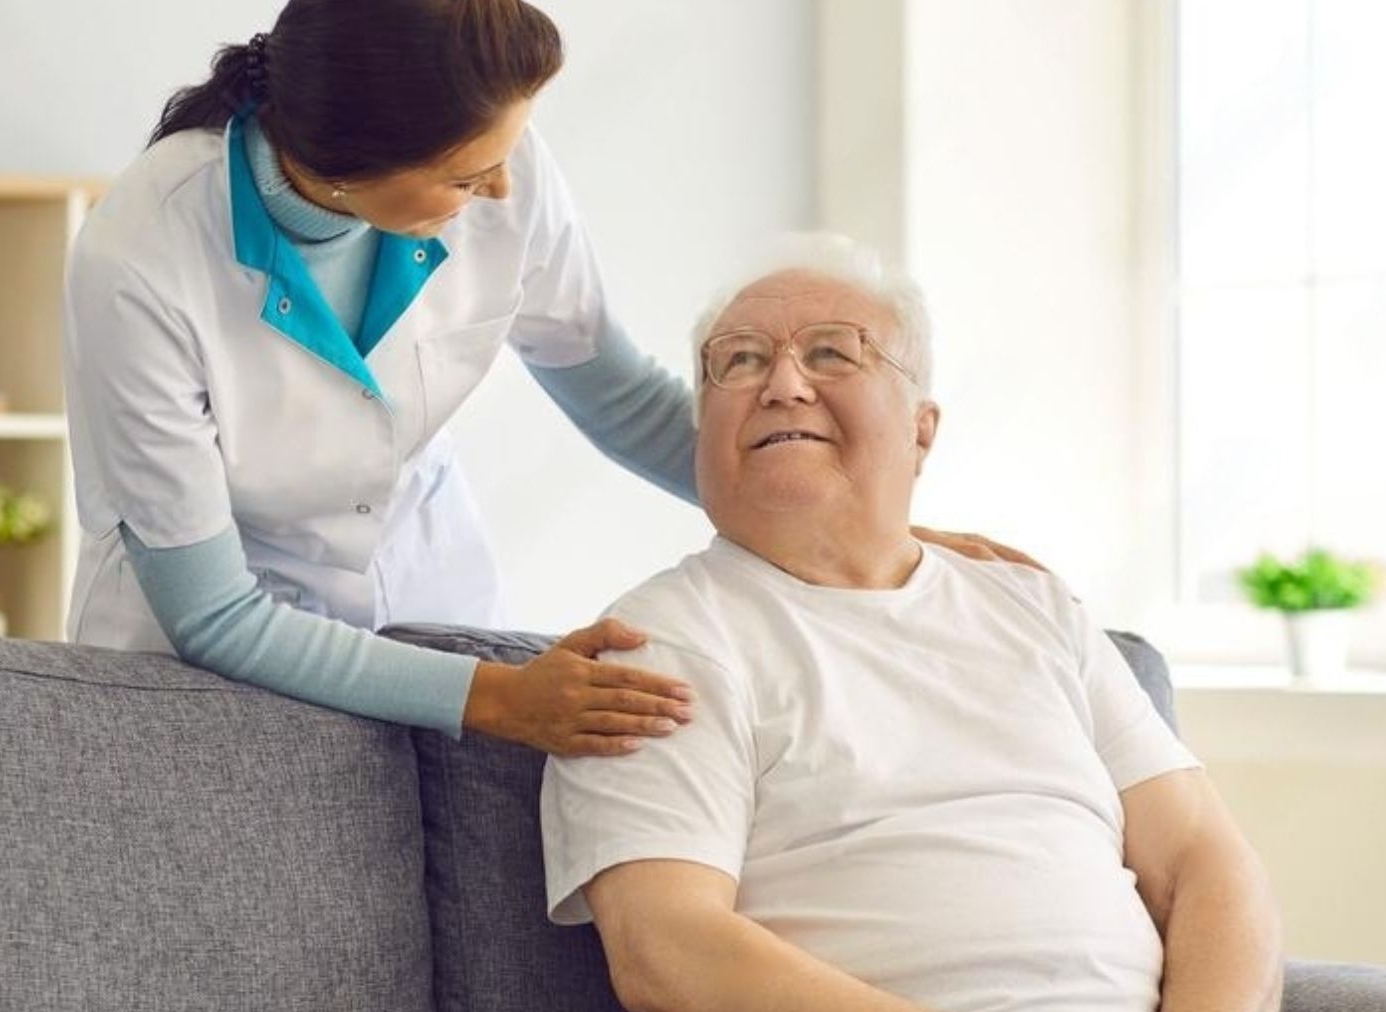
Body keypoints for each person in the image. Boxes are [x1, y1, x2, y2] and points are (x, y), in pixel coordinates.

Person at [61, 0, 1034, 757]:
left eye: (505, 155)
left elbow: (616, 395)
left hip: (420, 582)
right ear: (346, 168)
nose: (500, 191)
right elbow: (215, 612)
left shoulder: (499, 163)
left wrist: (854, 529)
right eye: (463, 177)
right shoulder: (145, 258)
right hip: (204, 653)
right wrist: (500, 701)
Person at [541, 235, 1284, 1012]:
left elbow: (1208, 864)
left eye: (831, 352)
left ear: (921, 432)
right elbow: (671, 958)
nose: (783, 383)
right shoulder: (659, 641)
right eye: (739, 361)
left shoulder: (1033, 608)